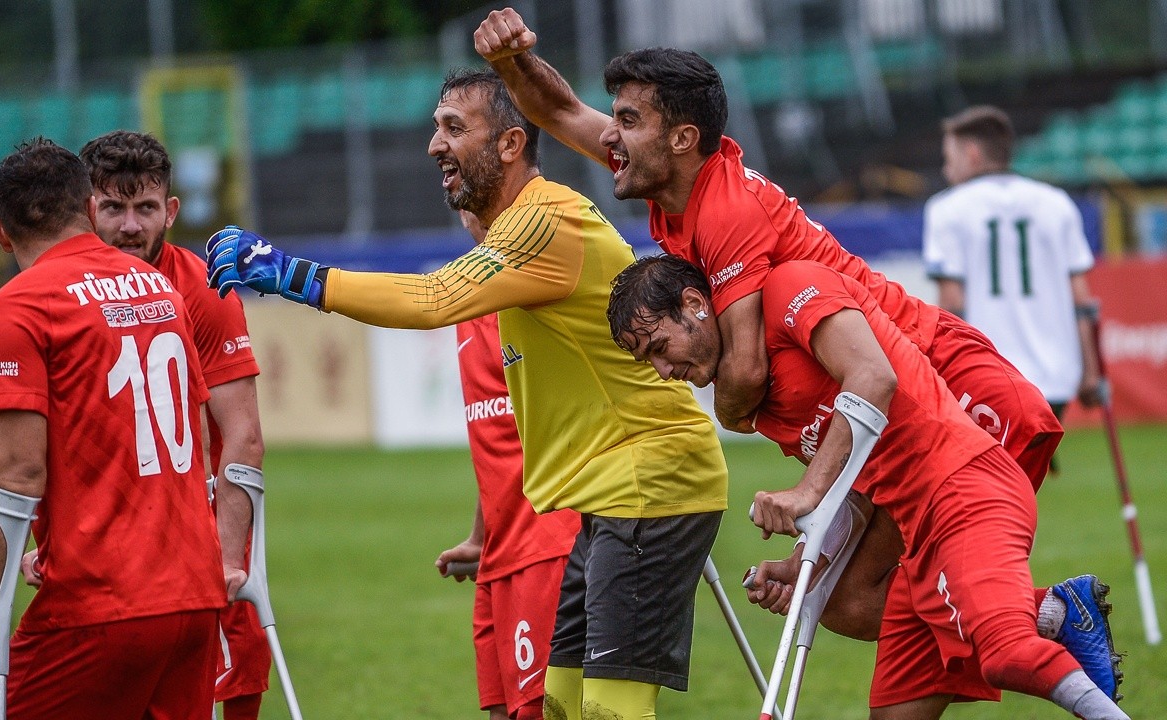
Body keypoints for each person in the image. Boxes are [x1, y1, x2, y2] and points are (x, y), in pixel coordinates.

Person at [471, 7, 1118, 700]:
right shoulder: (672, 172)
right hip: (885, 395)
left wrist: (732, 409)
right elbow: (562, 108)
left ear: (682, 136)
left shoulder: (724, 213)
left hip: (944, 377)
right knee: (852, 603)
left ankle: (1031, 628)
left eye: (628, 120)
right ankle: (1049, 615)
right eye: (619, 120)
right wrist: (511, 64)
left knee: (927, 586)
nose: (611, 136)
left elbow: (744, 379)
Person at [206, 69, 729, 719]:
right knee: (561, 705)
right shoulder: (522, 231)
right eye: (435, 126)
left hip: (654, 478)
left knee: (608, 711)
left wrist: (296, 276)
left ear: (511, 145)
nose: (433, 144)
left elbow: (433, 298)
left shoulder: (547, 221)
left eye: (454, 128)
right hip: (607, 495)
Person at [607, 253, 1128, 720]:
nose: (662, 370)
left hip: (963, 486)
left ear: (695, 304)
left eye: (659, 347)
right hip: (915, 526)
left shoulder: (793, 288)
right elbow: (858, 486)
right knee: (861, 640)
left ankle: (1037, 619)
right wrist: (806, 556)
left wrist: (806, 491)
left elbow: (875, 378)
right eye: (646, 361)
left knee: (1006, 654)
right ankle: (1051, 611)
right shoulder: (752, 394)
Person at [0, 138, 227, 719]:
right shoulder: (161, 288)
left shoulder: (17, 306)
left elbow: (18, 468)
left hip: (103, 603)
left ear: (1, 232)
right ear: (91, 212)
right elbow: (195, 427)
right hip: (195, 596)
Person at [77, 130, 272, 720]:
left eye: (145, 208)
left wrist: (229, 557)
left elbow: (243, 434)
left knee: (234, 685)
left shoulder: (203, 290)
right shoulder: (68, 294)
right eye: (113, 207)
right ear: (87, 210)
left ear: (172, 211)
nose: (130, 226)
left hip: (202, 533)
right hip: (108, 542)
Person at [923, 105, 1104, 469]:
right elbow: (1081, 300)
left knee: (981, 489)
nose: (946, 170)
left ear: (971, 153)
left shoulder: (947, 208)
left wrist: (934, 373)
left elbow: (951, 302)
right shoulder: (1057, 204)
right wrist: (1091, 371)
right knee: (1015, 488)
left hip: (988, 377)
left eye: (949, 158)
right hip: (1054, 378)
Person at [437, 307, 581, 720]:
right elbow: (502, 443)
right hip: (499, 552)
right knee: (502, 711)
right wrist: (482, 537)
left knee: (542, 711)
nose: (475, 235)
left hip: (549, 543)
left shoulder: (536, 294)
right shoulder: (466, 304)